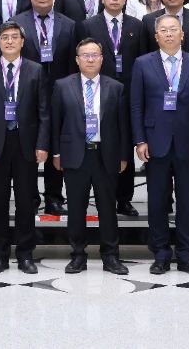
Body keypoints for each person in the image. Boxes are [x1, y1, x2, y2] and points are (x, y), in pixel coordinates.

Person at [132, 14, 189, 275]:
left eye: (173, 29)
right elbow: (136, 106)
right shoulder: (142, 63)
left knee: (188, 201)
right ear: (156, 36)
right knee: (157, 201)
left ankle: (186, 253)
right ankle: (161, 253)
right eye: (163, 30)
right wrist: (140, 140)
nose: (168, 34)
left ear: (182, 34)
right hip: (155, 143)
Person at [0, 22, 49, 272]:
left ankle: (25, 254)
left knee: (26, 201)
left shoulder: (36, 70)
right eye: (5, 37)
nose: (9, 41)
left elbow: (44, 112)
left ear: (22, 42)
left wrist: (42, 144)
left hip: (25, 143)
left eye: (14, 37)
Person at [52, 39, 130, 275]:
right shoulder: (62, 85)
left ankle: (111, 256)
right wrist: (56, 152)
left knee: (107, 208)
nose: (90, 59)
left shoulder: (115, 87)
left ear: (102, 59)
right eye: (85, 55)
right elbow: (55, 122)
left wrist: (123, 155)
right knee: (76, 209)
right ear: (77, 60)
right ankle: (78, 255)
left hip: (105, 155)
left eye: (94, 55)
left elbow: (123, 125)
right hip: (75, 155)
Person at [13, 0, 78, 215]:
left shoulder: (69, 24)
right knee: (28, 144)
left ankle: (53, 197)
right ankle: (29, 196)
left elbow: (73, 62)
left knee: (56, 146)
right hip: (27, 94)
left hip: (59, 93)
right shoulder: (16, 23)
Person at [82, 0, 142, 216]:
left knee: (124, 143)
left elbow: (143, 61)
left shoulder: (137, 26)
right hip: (97, 93)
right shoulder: (88, 25)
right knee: (98, 142)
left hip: (128, 94)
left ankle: (124, 199)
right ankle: (96, 195)